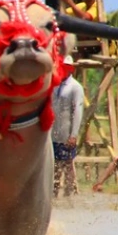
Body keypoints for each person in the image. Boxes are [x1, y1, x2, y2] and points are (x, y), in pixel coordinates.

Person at [51, 55, 84, 197]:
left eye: (65, 67)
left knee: (67, 165)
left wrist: (73, 135)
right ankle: (53, 194)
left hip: (66, 133)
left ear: (71, 69)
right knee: (54, 166)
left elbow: (78, 110)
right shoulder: (55, 85)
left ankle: (70, 195)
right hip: (53, 133)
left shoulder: (75, 87)